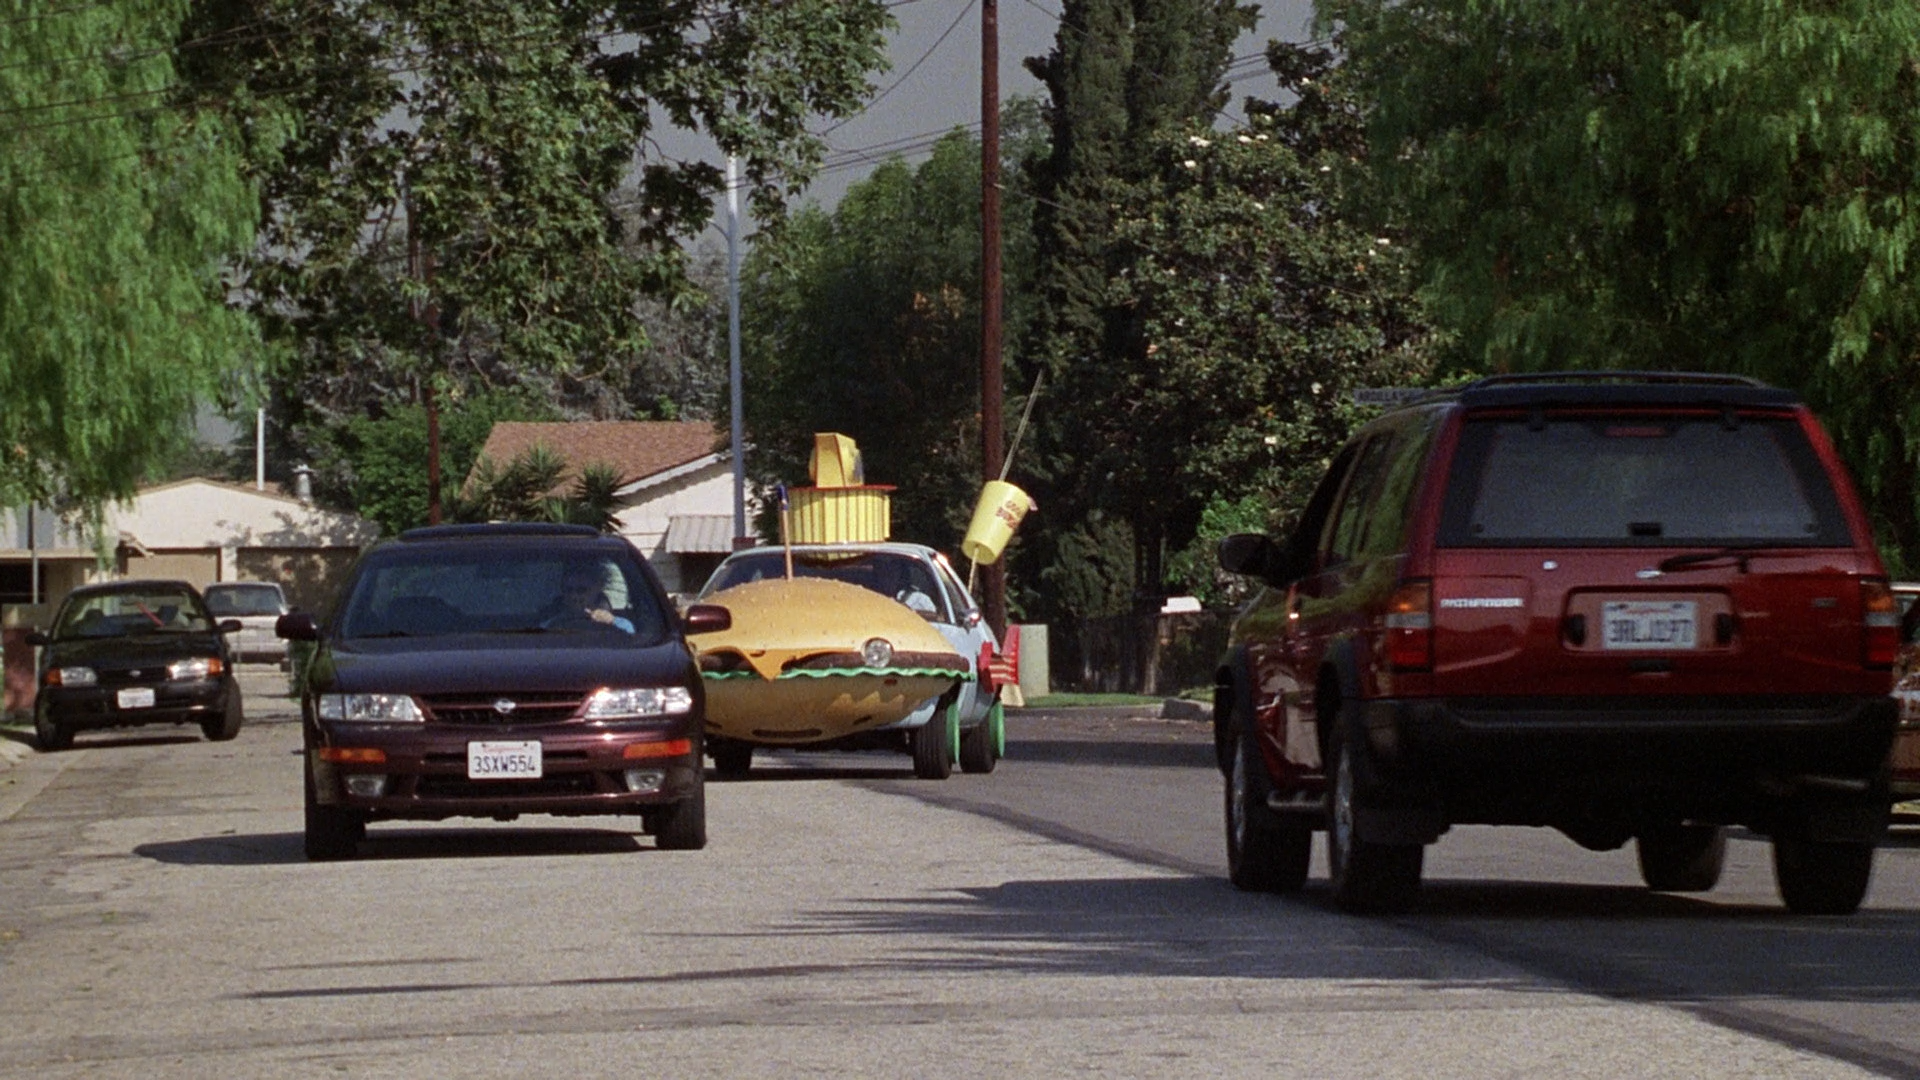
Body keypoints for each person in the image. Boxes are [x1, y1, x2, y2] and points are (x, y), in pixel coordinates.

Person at [547, 566, 634, 633]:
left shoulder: (621, 625)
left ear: (597, 589)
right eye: (569, 590)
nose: (574, 596)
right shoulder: (551, 625)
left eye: (582, 590)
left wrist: (611, 624)